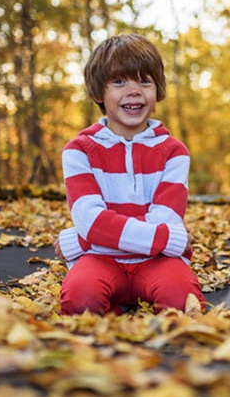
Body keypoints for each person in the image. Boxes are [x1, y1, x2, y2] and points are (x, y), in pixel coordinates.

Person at [54, 33, 205, 315]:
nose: (134, 91)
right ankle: (113, 329)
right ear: (98, 92)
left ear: (158, 91)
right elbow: (92, 220)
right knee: (81, 300)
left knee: (181, 300)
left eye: (145, 81)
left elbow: (165, 219)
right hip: (99, 259)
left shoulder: (174, 152)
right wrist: (170, 239)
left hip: (156, 262)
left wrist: (81, 239)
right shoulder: (79, 151)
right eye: (119, 81)